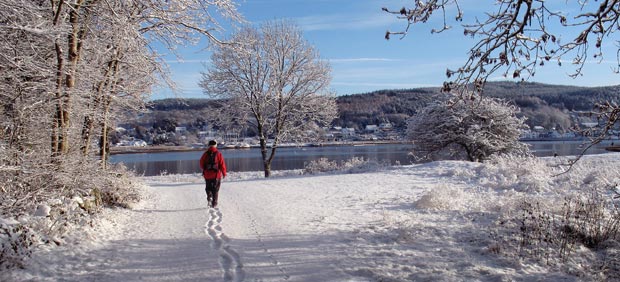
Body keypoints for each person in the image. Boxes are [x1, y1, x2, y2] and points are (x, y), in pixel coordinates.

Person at [199, 140, 227, 208]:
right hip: (216, 175)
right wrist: (224, 173)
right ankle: (214, 203)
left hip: (207, 175)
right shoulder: (218, 154)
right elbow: (222, 164)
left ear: (209, 145)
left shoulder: (205, 154)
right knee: (216, 189)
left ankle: (209, 196)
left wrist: (205, 169)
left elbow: (201, 163)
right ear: (215, 145)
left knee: (208, 188)